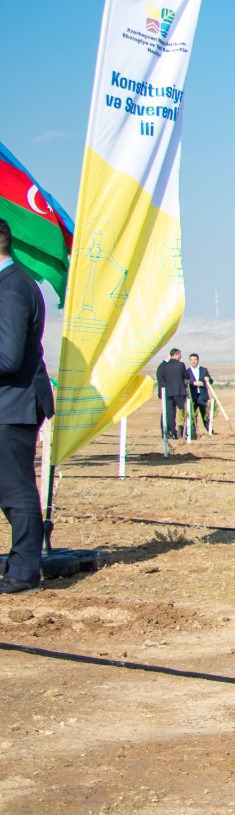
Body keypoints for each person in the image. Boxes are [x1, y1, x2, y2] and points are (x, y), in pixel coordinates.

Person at [0, 218, 54, 596]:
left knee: (16, 489)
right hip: (10, 401)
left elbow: (7, 357)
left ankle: (24, 571)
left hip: (12, 403)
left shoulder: (12, 290)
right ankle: (21, 559)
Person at [155, 348, 188, 438]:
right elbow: (186, 376)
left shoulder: (164, 366)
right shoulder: (181, 365)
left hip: (168, 393)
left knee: (170, 414)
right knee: (183, 412)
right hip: (179, 392)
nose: (180, 356)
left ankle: (172, 432)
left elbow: (162, 378)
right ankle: (185, 431)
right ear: (176, 355)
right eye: (180, 355)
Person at [186, 353, 213, 435]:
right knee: (192, 415)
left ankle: (210, 430)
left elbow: (210, 381)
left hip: (202, 395)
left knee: (205, 414)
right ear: (189, 361)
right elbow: (185, 381)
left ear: (198, 360)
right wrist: (194, 383)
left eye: (195, 360)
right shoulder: (187, 372)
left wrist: (208, 379)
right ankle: (193, 432)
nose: (193, 361)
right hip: (192, 396)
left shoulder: (204, 370)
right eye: (191, 360)